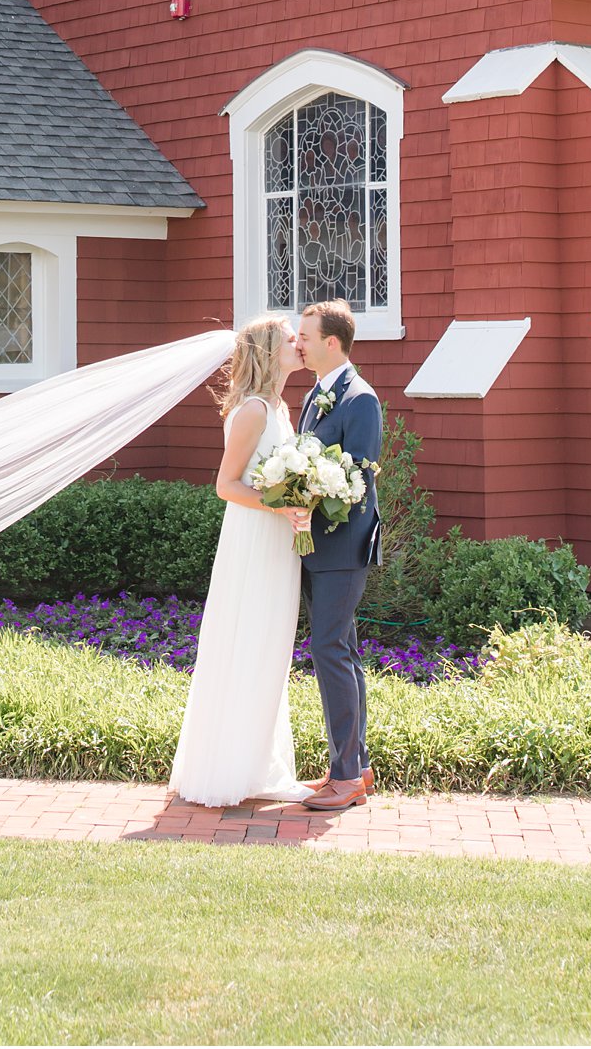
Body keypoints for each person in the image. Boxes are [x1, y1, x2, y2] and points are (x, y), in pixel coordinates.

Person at [167, 314, 313, 806]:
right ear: (271, 352)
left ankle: (259, 768)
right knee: (251, 641)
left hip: (277, 540)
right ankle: (230, 770)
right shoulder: (253, 410)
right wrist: (282, 504)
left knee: (270, 647)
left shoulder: (279, 407)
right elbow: (226, 486)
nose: (301, 344)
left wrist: (298, 504)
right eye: (293, 340)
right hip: (253, 540)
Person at [293, 299, 383, 813]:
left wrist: (308, 496)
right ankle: (354, 765)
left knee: (328, 649)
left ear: (332, 342)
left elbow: (359, 481)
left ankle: (345, 778)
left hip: (342, 549)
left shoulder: (360, 399)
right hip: (314, 547)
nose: (298, 344)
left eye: (305, 336)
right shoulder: (315, 396)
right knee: (341, 651)